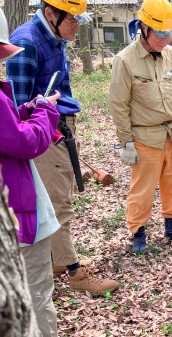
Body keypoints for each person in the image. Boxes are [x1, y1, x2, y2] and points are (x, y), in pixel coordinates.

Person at [6, 0, 119, 293]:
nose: (76, 26)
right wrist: (46, 126)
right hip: (45, 136)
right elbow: (18, 111)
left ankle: (57, 259)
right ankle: (74, 272)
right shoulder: (26, 43)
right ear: (51, 14)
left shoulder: (55, 38)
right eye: (72, 20)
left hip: (60, 126)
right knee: (58, 204)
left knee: (61, 195)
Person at [110, 0, 172, 253]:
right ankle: (138, 232)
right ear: (144, 28)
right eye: (159, 34)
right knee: (143, 188)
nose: (164, 40)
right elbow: (119, 104)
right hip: (145, 136)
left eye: (169, 34)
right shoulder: (125, 60)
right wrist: (126, 141)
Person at [0, 8, 61, 334]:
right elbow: (21, 142)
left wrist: (25, 109)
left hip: (11, 205)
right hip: (17, 212)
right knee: (36, 291)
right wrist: (45, 112)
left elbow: (5, 129)